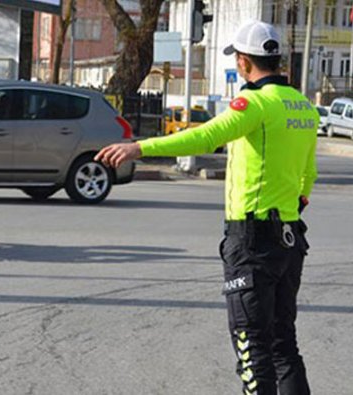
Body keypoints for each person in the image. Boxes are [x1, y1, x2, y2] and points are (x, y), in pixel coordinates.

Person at [95, 20, 318, 395]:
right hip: (290, 238)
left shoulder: (255, 104)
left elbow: (205, 135)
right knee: (284, 346)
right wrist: (293, 205)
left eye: (238, 60)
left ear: (245, 62)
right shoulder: (304, 108)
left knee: (252, 350)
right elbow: (308, 176)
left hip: (252, 239)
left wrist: (140, 147)